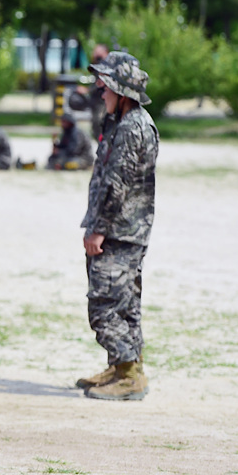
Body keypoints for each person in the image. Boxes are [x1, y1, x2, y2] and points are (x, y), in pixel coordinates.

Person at [77, 52, 158, 401]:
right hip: (124, 229)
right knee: (124, 302)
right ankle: (125, 366)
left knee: (105, 303)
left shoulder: (131, 127)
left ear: (121, 89)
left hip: (119, 230)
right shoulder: (120, 121)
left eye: (105, 83)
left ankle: (128, 373)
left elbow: (116, 185)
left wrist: (98, 229)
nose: (100, 89)